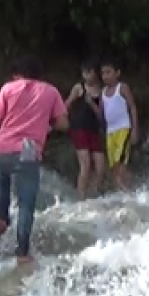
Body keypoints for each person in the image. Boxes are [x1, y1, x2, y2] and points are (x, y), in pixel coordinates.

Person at [0, 56, 69, 264]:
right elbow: (63, 124)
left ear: (19, 72)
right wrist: (45, 125)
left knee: (1, 195)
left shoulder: (7, 89)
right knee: (26, 203)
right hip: (27, 150)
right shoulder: (50, 91)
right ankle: (22, 252)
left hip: (1, 147)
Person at [64, 60, 106, 200]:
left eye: (90, 72)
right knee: (85, 165)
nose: (87, 76)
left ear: (96, 73)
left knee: (100, 167)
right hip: (79, 128)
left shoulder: (102, 90)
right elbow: (67, 104)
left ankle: (93, 194)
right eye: (84, 72)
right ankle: (81, 197)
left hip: (94, 129)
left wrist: (91, 104)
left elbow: (101, 115)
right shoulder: (79, 88)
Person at [100, 57, 140, 191]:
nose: (105, 76)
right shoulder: (103, 92)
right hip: (110, 132)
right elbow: (102, 113)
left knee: (121, 163)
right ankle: (121, 190)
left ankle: (128, 191)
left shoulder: (122, 88)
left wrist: (134, 129)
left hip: (123, 129)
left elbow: (132, 107)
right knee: (114, 166)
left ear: (117, 73)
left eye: (108, 72)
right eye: (103, 73)